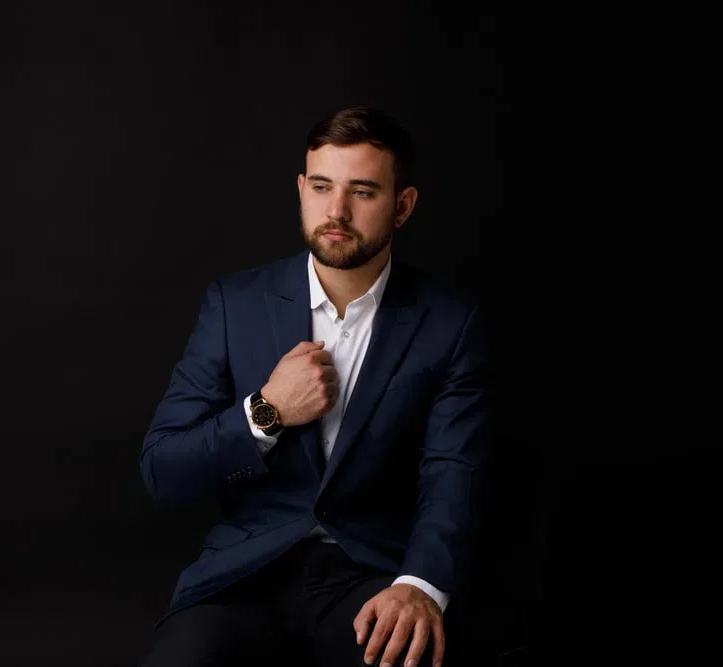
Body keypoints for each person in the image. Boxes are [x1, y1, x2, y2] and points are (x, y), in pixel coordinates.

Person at [138, 106, 488, 667]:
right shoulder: (235, 304)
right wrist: (267, 411)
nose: (336, 211)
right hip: (246, 575)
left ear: (403, 206)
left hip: (374, 577)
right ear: (301, 188)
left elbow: (454, 471)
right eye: (321, 186)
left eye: (363, 192)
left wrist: (421, 585)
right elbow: (162, 470)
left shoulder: (450, 322)